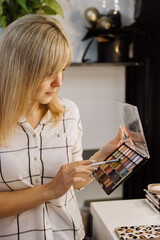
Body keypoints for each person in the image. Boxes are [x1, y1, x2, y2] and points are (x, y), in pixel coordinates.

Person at [0, 14, 126, 240]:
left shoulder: (69, 113)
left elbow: (75, 183)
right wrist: (50, 190)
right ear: (18, 69)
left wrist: (100, 158)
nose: (59, 82)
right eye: (49, 72)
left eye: (63, 69)